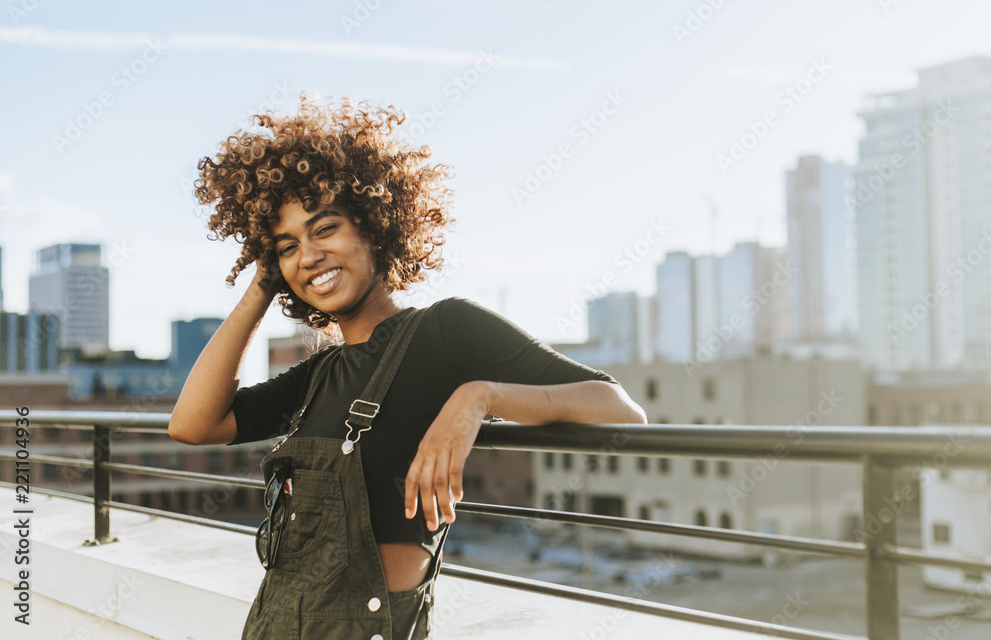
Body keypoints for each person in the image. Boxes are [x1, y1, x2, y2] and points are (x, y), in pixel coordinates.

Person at [168, 93, 647, 640]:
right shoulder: (320, 373)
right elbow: (192, 424)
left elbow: (621, 410)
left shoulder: (445, 330)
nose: (307, 256)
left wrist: (479, 398)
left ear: (374, 225)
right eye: (286, 246)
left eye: (325, 229)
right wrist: (259, 286)